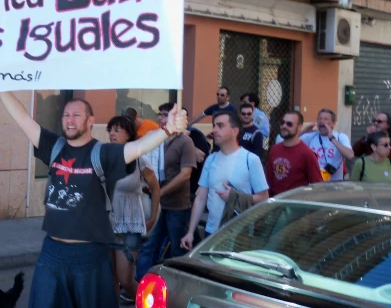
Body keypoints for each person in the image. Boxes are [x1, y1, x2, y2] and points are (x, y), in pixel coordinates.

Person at [0, 91, 186, 308]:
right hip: (52, 253)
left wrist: (167, 129)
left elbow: (138, 148)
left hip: (90, 257)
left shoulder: (103, 153)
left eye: (76, 115)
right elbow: (22, 118)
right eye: (66, 115)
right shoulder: (54, 147)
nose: (69, 120)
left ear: (90, 121)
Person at [181, 111, 269, 250]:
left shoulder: (250, 160)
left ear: (235, 131)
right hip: (212, 232)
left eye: (220, 126)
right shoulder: (211, 159)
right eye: (214, 125)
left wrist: (235, 197)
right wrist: (190, 233)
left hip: (240, 233)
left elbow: (264, 197)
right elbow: (201, 198)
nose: (214, 130)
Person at [135, 102, 196, 282]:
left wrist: (160, 192)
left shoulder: (186, 142)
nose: (160, 119)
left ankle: (176, 288)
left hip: (177, 206)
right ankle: (140, 285)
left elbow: (185, 175)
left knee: (177, 250)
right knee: (149, 246)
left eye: (164, 115)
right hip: (158, 205)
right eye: (159, 115)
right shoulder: (158, 139)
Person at [106, 115, 160, 303]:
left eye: (117, 130)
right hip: (107, 225)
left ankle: (153, 304)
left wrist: (153, 217)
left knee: (125, 280)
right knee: (109, 279)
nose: (111, 134)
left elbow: (155, 187)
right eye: (110, 130)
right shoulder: (106, 157)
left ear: (128, 134)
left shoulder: (140, 160)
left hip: (130, 223)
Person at [266, 111, 323, 195]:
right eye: (282, 123)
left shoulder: (307, 153)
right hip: (276, 202)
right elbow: (269, 180)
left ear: (299, 127)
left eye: (289, 124)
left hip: (295, 204)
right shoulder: (274, 149)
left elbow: (317, 185)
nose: (284, 126)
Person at [297, 109, 354, 181]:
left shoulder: (340, 137)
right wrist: (303, 132)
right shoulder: (310, 136)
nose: (322, 121)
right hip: (314, 183)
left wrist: (332, 138)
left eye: (325, 119)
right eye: (320, 119)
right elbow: (288, 143)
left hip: (334, 184)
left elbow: (350, 155)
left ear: (333, 123)